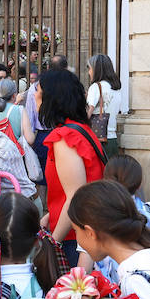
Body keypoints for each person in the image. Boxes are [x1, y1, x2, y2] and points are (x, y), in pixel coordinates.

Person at [39, 69, 106, 268]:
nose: (34, 95)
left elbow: (75, 195)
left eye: (39, 90)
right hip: (81, 229)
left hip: (75, 236)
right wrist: (49, 216)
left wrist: (53, 244)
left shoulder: (65, 137)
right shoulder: (80, 130)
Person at [86, 54, 125, 158]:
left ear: (96, 69)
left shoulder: (96, 87)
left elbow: (88, 113)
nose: (89, 72)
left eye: (90, 68)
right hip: (112, 139)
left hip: (97, 139)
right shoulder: (116, 89)